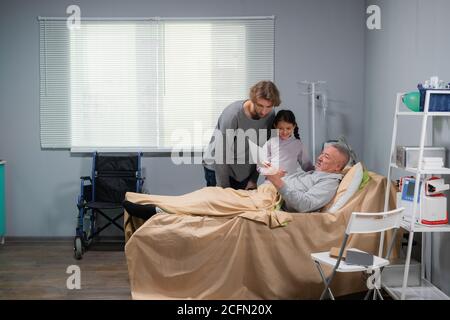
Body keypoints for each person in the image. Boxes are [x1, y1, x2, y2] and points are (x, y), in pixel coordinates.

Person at [123, 144, 350, 220]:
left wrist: (277, 183)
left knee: (212, 201)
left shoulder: (329, 182)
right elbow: (294, 182)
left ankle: (160, 211)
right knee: (210, 193)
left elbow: (304, 204)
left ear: (338, 167)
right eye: (322, 153)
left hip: (267, 203)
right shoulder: (315, 174)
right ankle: (154, 203)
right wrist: (279, 175)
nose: (320, 157)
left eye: (326, 157)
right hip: (260, 194)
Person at [203, 80, 281, 190]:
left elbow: (262, 149)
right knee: (224, 203)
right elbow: (221, 155)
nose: (264, 111)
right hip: (218, 167)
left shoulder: (270, 115)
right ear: (252, 99)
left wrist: (253, 179)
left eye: (268, 106)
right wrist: (225, 189)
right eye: (260, 105)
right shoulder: (232, 115)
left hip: (243, 171)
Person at [258, 110, 314, 180]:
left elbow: (307, 166)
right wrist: (272, 172)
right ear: (275, 126)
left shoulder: (298, 144)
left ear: (294, 126)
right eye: (280, 128)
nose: (284, 132)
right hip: (271, 183)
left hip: (290, 183)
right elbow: (260, 166)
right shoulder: (270, 143)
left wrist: (318, 175)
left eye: (288, 128)